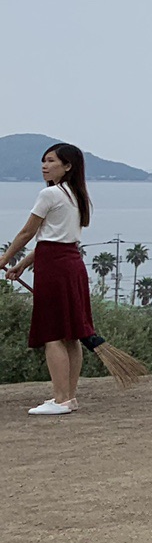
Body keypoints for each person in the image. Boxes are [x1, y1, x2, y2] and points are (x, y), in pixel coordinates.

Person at [1, 143, 96, 415]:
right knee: (72, 335)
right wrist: (21, 264)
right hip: (71, 264)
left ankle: (60, 399)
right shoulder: (77, 195)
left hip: (54, 268)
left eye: (51, 161)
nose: (44, 165)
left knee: (53, 333)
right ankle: (69, 397)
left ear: (68, 166)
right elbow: (53, 240)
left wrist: (5, 258)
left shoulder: (49, 193)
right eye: (43, 160)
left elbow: (26, 232)